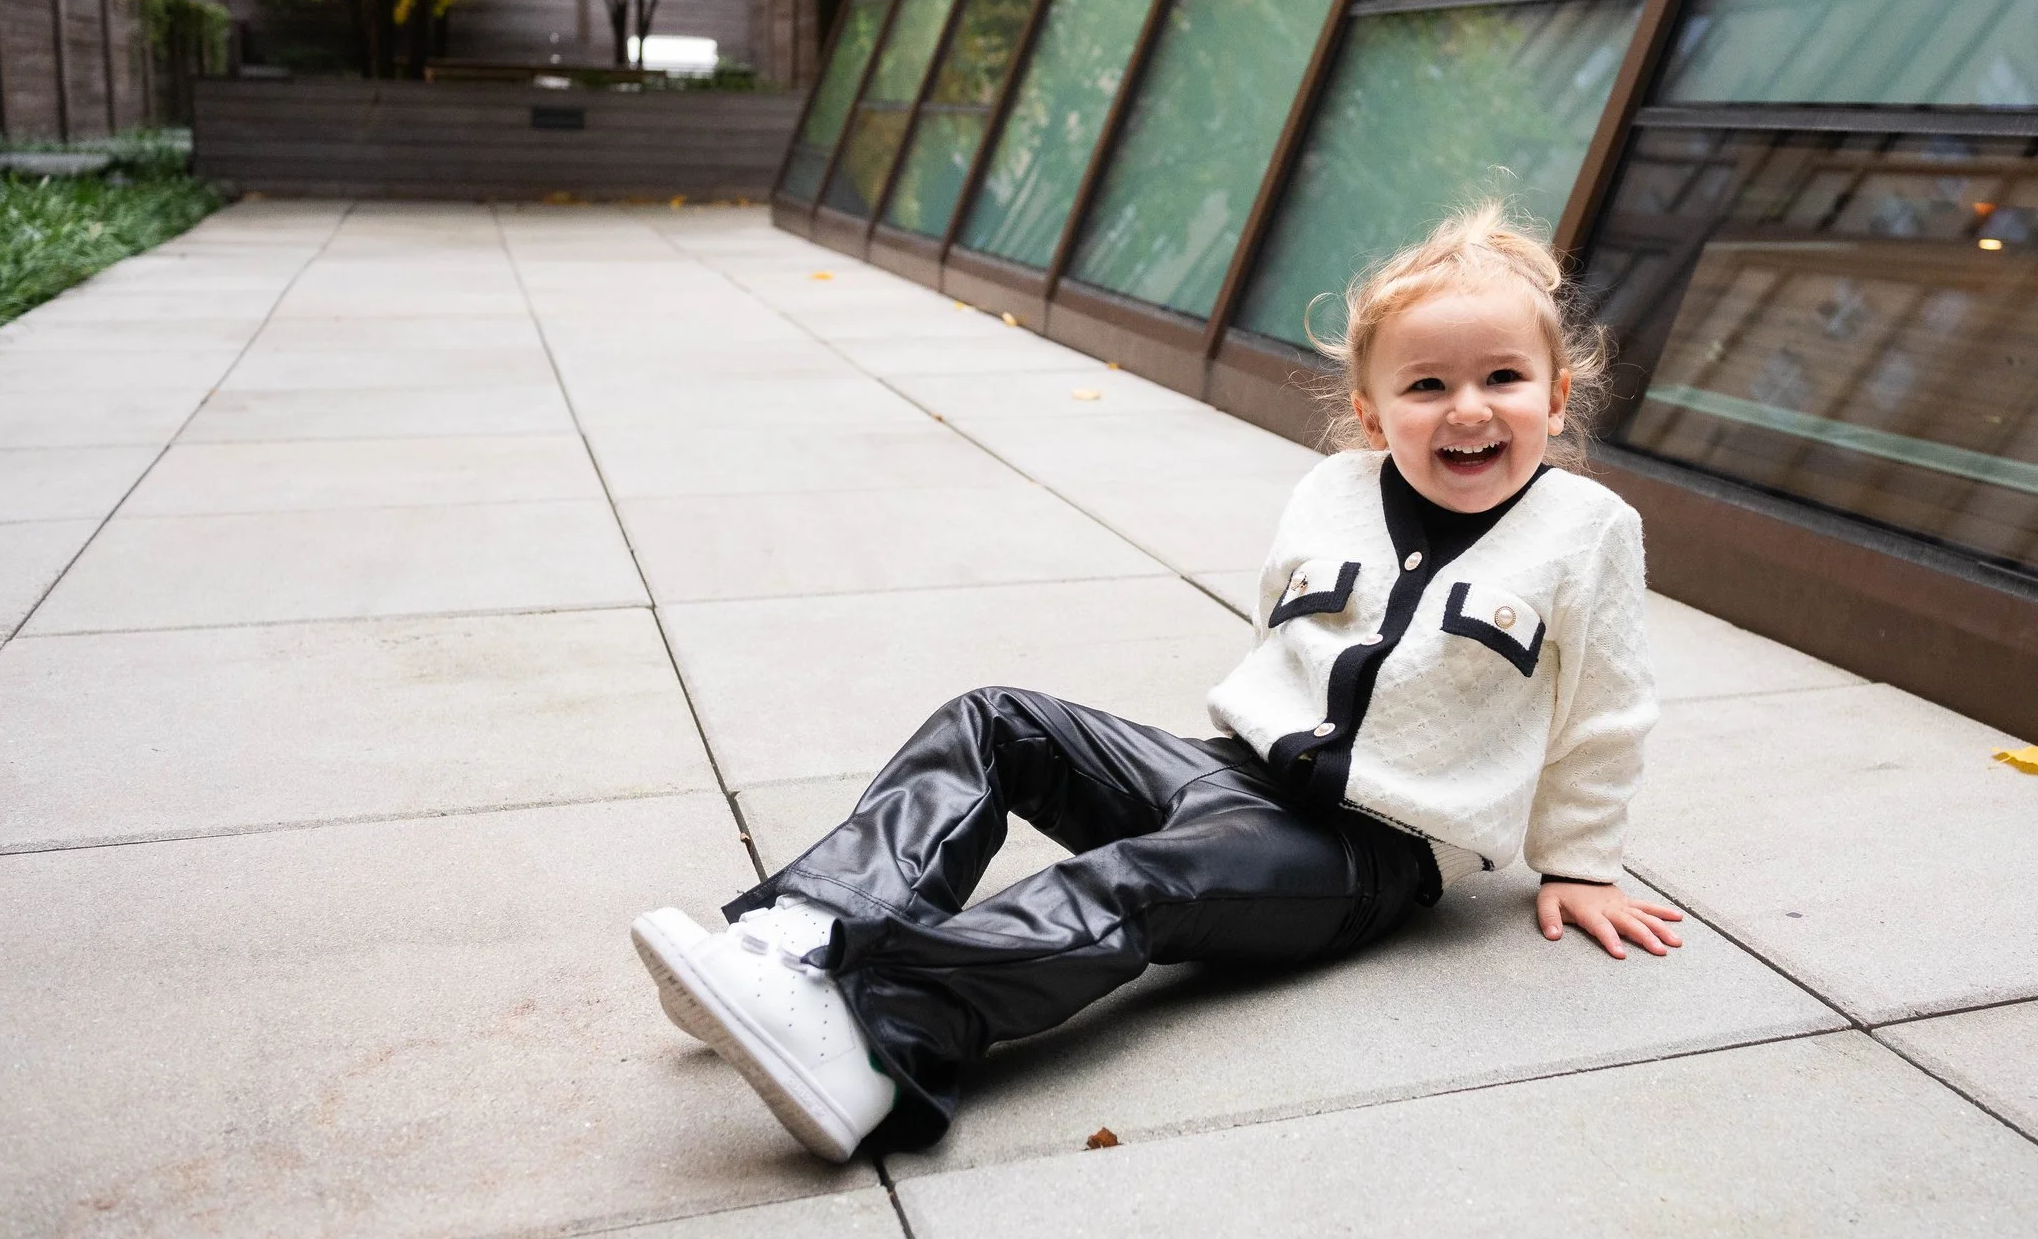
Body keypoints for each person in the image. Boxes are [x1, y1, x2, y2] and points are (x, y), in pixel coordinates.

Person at [630, 202, 1679, 1161]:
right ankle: (799, 940)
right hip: (1225, 770)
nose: (1467, 410)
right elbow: (1289, 642)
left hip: (1366, 850)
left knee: (1141, 879)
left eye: (1501, 378)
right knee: (998, 720)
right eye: (1426, 385)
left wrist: (1577, 862)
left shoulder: (1585, 533)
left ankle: (876, 1038)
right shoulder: (1331, 491)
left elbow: (1603, 711)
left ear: (1556, 393)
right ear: (1371, 414)